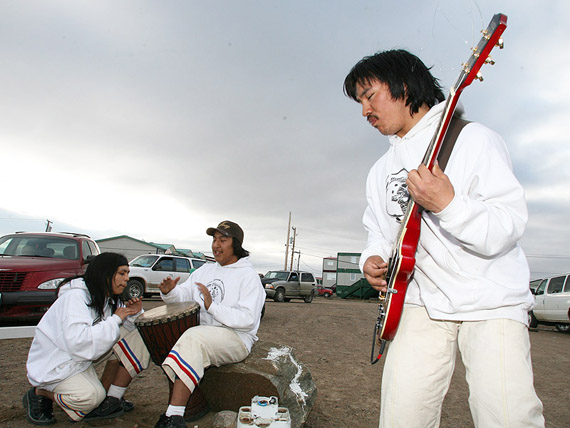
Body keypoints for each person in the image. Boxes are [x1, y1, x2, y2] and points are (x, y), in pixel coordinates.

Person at [343, 49, 545, 428]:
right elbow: (379, 231)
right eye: (359, 102)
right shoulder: (379, 170)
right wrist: (370, 259)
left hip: (490, 301)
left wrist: (448, 204)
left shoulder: (473, 140)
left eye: (370, 96)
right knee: (402, 416)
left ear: (404, 85)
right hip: (421, 303)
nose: (364, 111)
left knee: (507, 416)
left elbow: (507, 225)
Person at [154, 220, 266, 428]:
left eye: (223, 240)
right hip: (206, 334)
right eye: (214, 239)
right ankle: (174, 414)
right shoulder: (205, 270)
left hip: (237, 337)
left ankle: (173, 417)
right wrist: (169, 292)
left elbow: (248, 319)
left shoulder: (248, 276)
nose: (216, 245)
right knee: (189, 336)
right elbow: (184, 294)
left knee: (193, 337)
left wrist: (212, 307)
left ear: (237, 245)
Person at [24, 252, 150, 425]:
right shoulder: (75, 298)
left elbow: (131, 332)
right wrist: (115, 320)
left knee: (137, 336)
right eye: (122, 273)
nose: (127, 279)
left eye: (127, 273)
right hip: (57, 365)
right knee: (90, 398)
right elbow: (79, 342)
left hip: (80, 359)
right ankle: (41, 393)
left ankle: (110, 398)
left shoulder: (107, 298)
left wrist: (134, 314)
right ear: (106, 273)